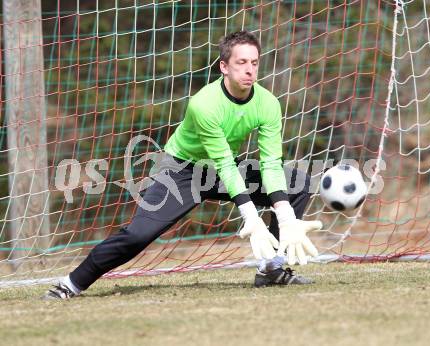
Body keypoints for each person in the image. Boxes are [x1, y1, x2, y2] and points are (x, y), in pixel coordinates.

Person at [43, 30, 322, 299]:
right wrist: (251, 217)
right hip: (182, 171)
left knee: (297, 184)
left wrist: (285, 218)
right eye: (241, 62)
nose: (249, 69)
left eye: (254, 62)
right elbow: (224, 162)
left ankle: (272, 268)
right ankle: (71, 283)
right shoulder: (204, 104)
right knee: (137, 236)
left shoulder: (268, 103)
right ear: (224, 67)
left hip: (222, 170)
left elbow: (271, 163)